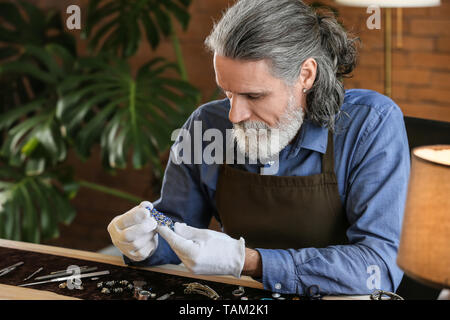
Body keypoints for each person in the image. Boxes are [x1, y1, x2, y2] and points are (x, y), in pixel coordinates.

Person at [107, 0, 410, 296]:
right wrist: (143, 243)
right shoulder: (206, 125)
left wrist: (252, 262)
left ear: (306, 75)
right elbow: (174, 226)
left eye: (254, 96)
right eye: (228, 92)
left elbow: (379, 268)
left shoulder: (371, 124)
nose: (234, 115)